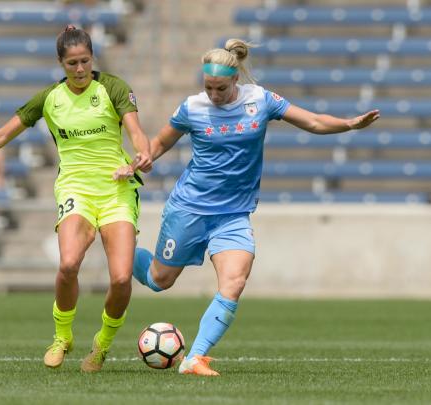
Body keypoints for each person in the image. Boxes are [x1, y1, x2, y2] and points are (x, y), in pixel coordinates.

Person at [132, 38, 380, 376]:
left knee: (234, 280)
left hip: (232, 215)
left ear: (236, 81)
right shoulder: (192, 107)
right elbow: (160, 142)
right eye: (208, 87)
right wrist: (142, 160)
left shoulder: (260, 100)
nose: (214, 95)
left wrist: (349, 124)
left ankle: (195, 359)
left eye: (220, 88)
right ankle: (122, 250)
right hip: (190, 209)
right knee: (159, 280)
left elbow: (313, 121)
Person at [0, 25, 152, 372]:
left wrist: (142, 157)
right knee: (68, 264)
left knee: (122, 278)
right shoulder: (49, 99)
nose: (79, 70)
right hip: (74, 189)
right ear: (60, 63)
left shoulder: (113, 88)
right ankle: (62, 336)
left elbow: (138, 134)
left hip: (116, 190)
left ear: (92, 58)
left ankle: (101, 345)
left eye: (84, 61)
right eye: (72, 63)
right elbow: (4, 133)